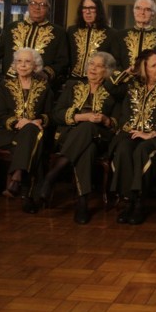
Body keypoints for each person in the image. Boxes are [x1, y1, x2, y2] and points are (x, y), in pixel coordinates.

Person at [35, 51, 120, 223]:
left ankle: (52, 175)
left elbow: (119, 122)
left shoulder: (113, 91)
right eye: (91, 64)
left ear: (107, 71)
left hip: (101, 137)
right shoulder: (73, 85)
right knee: (87, 148)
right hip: (70, 136)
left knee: (89, 129)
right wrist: (82, 117)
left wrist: (104, 119)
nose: (93, 68)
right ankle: (82, 203)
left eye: (99, 66)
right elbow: (57, 114)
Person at [108, 49, 156, 225]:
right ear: (144, 69)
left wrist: (151, 133)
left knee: (143, 150)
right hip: (134, 134)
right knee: (124, 149)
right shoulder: (133, 86)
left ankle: (140, 202)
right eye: (154, 65)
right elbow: (110, 87)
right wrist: (128, 72)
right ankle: (129, 201)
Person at [0, 47, 52, 198]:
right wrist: (18, 122)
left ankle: (16, 177)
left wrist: (39, 120)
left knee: (32, 131)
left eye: (27, 61)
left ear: (35, 66)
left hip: (36, 131)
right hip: (9, 134)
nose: (23, 65)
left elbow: (50, 114)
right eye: (19, 61)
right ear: (14, 65)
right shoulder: (5, 85)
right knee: (33, 142)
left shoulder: (44, 86)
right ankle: (32, 195)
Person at [0, 0, 69, 85]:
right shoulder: (12, 28)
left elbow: (62, 62)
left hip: (41, 84)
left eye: (42, 4)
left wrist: (46, 73)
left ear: (48, 9)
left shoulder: (58, 32)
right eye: (33, 3)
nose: (37, 7)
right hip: (11, 83)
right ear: (28, 6)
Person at [67, 0, 122, 83]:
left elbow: (113, 63)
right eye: (84, 8)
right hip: (73, 81)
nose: (88, 12)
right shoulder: (72, 31)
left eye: (92, 8)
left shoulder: (111, 34)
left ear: (98, 11)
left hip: (99, 83)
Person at [120, 0, 156, 74]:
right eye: (138, 8)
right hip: (125, 82)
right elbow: (115, 63)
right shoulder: (120, 36)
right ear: (134, 11)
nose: (142, 12)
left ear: (153, 14)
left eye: (147, 9)